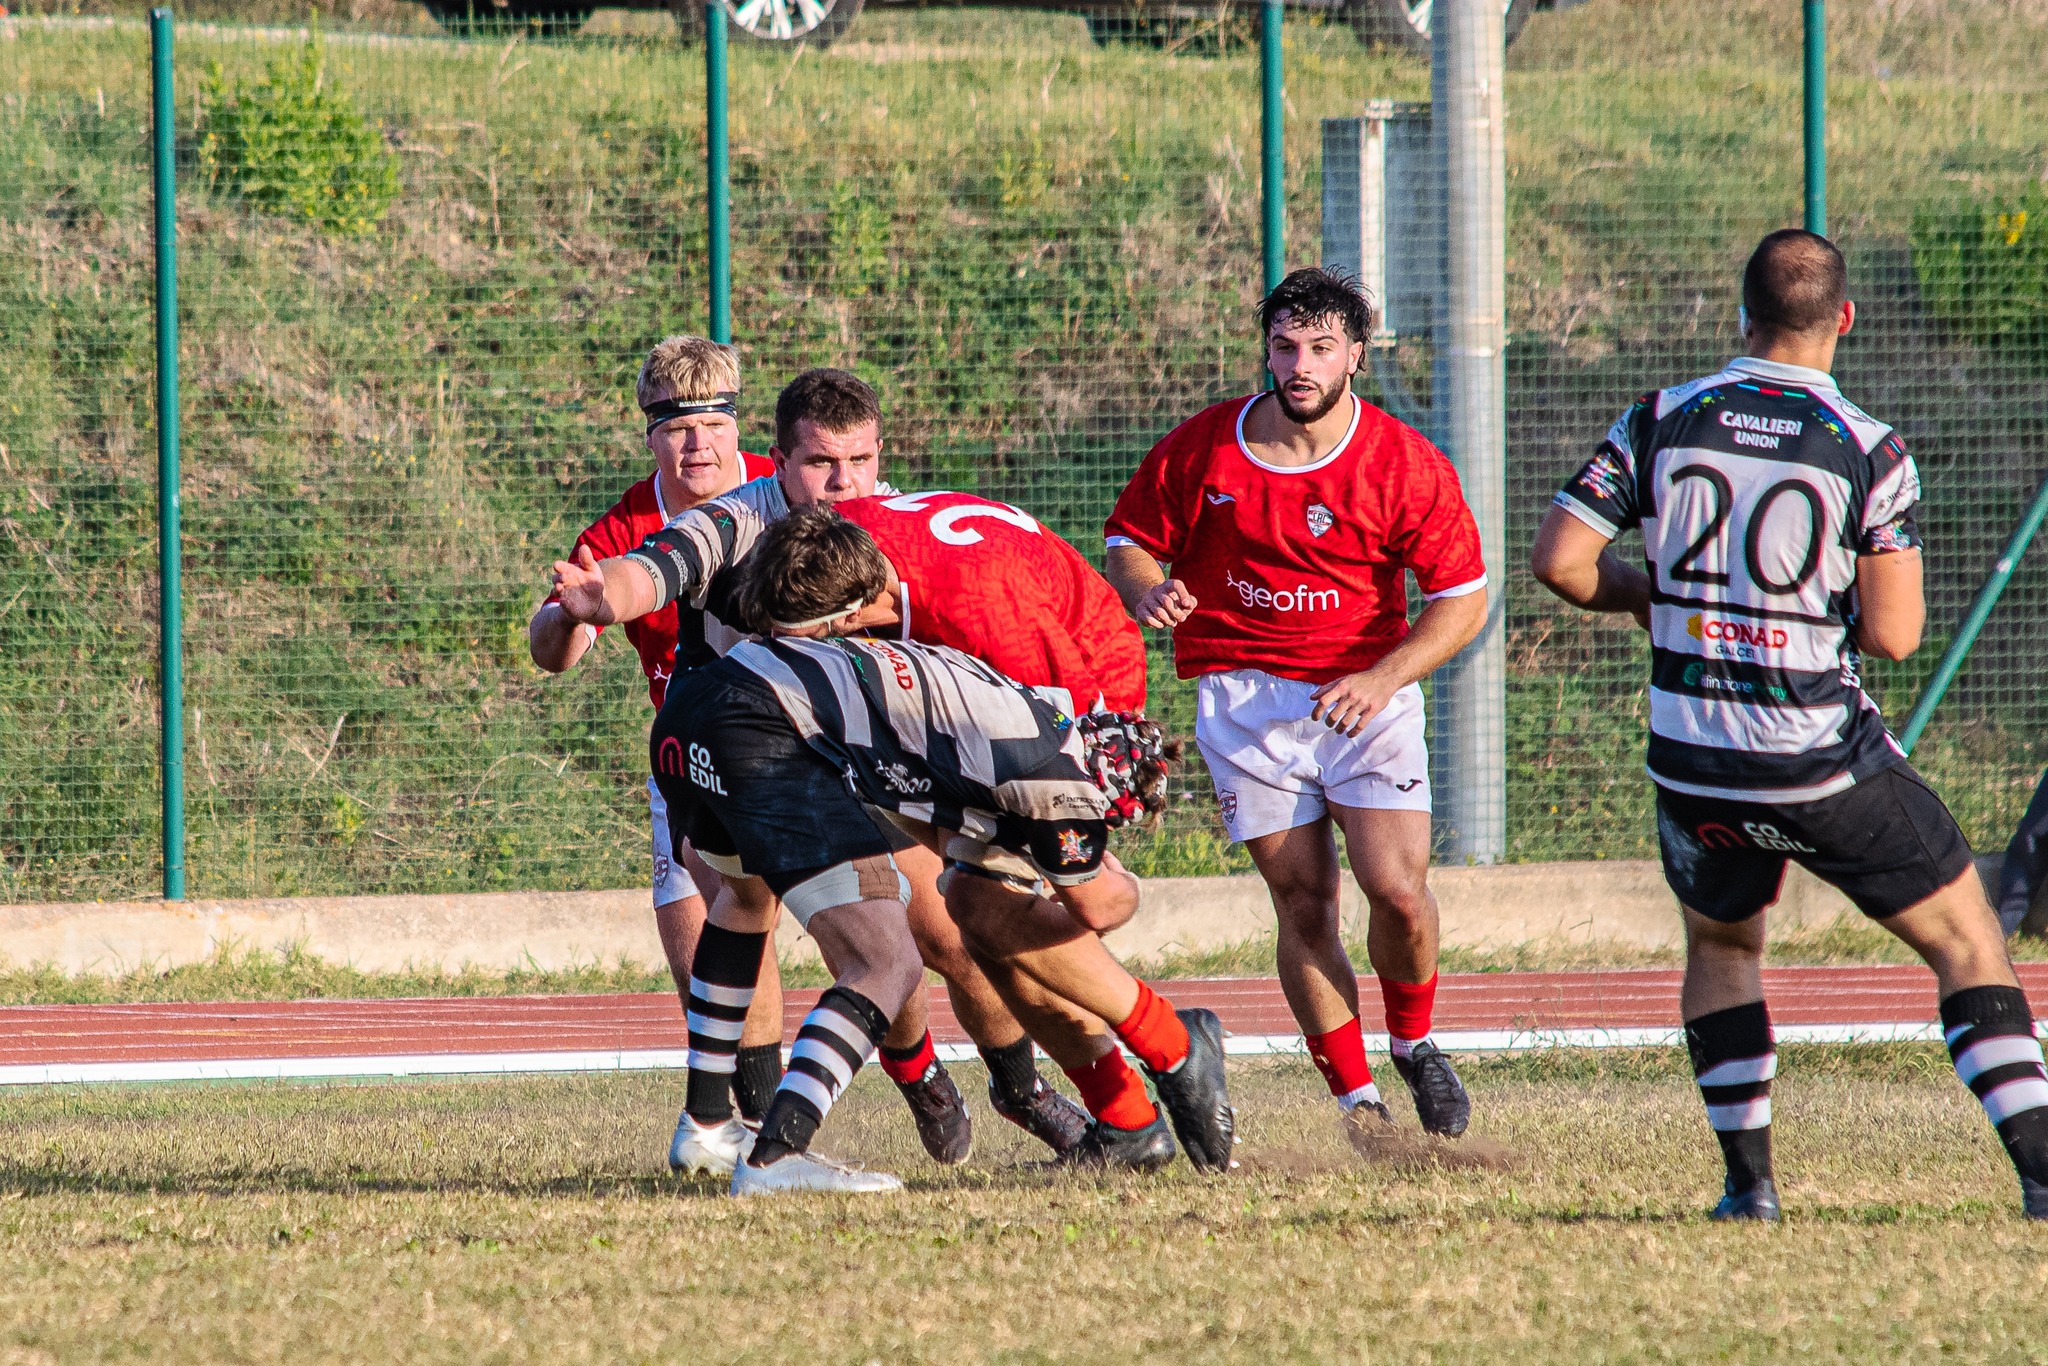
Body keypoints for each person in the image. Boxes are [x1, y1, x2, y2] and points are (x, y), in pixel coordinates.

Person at [1531, 228, 2048, 1222]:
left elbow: (1559, 561)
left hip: (1689, 758)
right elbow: (1894, 635)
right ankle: (2038, 1171)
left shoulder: (1660, 417)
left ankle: (1749, 1188)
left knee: (1722, 941)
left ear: (1739, 316)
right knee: (1966, 941)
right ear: (1842, 320)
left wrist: (1650, 595)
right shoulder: (1866, 447)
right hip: (1813, 756)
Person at [551, 368, 1088, 1168]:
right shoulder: (738, 518)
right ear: (777, 461)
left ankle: (1016, 1088)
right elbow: (653, 568)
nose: (843, 484)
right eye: (819, 465)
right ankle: (796, 1133)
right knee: (856, 943)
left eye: (860, 462)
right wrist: (604, 600)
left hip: (861, 753)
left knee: (939, 932)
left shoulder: (899, 525)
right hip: (751, 758)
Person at [645, 508, 1233, 1193]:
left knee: (746, 900)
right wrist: (1115, 873)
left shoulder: (971, 695)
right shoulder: (1045, 766)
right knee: (886, 961)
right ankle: (774, 1160)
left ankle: (708, 1127)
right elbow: (1100, 909)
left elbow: (933, 805)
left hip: (692, 707)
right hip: (765, 729)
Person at [1102, 267, 1488, 1141]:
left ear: (1357, 352)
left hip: (1364, 696)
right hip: (1245, 703)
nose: (1301, 364)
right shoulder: (1206, 446)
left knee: (1396, 891)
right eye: (1286, 346)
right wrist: (1145, 589)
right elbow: (1129, 541)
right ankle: (1360, 1106)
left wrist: (1386, 676)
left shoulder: (1402, 463)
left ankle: (1418, 1045)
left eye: (1321, 347)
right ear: (1266, 350)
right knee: (1305, 902)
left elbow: (1462, 598)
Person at [525, 336, 786, 1162]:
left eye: (713, 423)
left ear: (736, 427)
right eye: (677, 428)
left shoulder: (782, 499)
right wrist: (568, 613)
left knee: (767, 918)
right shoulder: (626, 525)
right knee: (702, 947)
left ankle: (772, 1127)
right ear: (651, 436)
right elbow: (550, 650)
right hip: (687, 755)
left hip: (797, 741)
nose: (697, 444)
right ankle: (744, 1127)